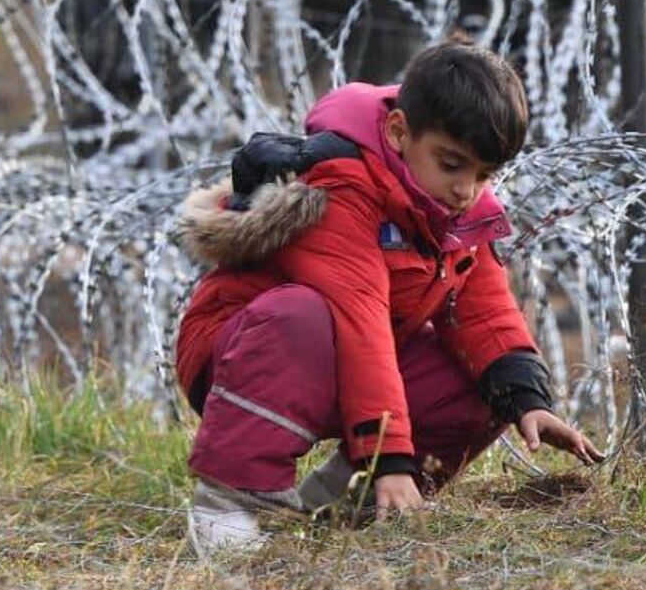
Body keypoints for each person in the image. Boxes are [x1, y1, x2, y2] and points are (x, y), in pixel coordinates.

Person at [174, 37, 604, 553]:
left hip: (345, 367)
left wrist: (525, 398)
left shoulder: (452, 207)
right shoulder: (343, 189)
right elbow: (360, 323)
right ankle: (231, 502)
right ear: (399, 132)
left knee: (482, 381)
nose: (467, 190)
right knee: (303, 316)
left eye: (484, 174)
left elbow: (484, 309)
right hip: (243, 353)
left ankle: (347, 505)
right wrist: (390, 457)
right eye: (451, 164)